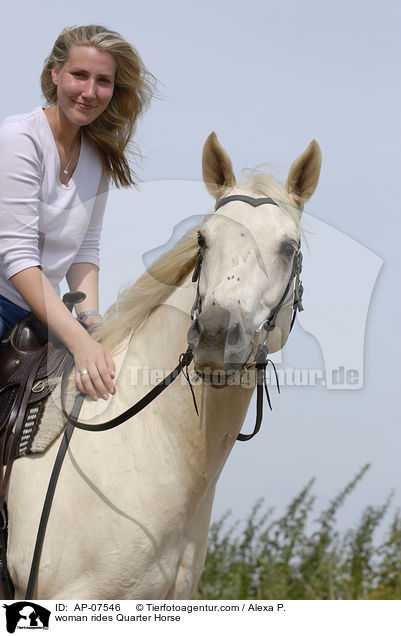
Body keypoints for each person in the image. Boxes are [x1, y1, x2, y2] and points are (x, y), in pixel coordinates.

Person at [0, 25, 154, 401]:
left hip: (37, 313)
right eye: (79, 75)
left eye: (103, 81)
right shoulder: (19, 139)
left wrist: (91, 321)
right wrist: (79, 342)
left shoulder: (97, 159)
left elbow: (84, 249)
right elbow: (18, 257)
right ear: (55, 74)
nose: (89, 92)